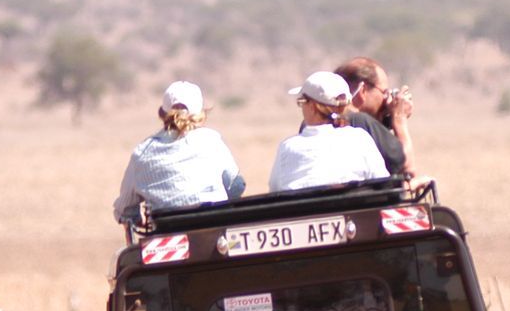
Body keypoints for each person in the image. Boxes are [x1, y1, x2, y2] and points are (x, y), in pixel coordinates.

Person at [112, 81, 245, 223]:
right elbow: (236, 186)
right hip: (215, 229)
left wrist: (137, 219)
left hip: (166, 233)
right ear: (201, 114)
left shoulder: (142, 152)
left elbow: (125, 209)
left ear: (162, 114)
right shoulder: (211, 140)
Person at [268, 71, 389, 191]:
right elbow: (382, 182)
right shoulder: (360, 139)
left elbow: (275, 189)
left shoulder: (288, 147)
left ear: (312, 107)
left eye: (302, 102)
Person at [335, 56, 415, 176]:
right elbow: (407, 168)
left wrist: (383, 119)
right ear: (362, 91)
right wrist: (399, 119)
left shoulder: (314, 122)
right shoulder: (362, 121)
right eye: (384, 92)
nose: (385, 99)